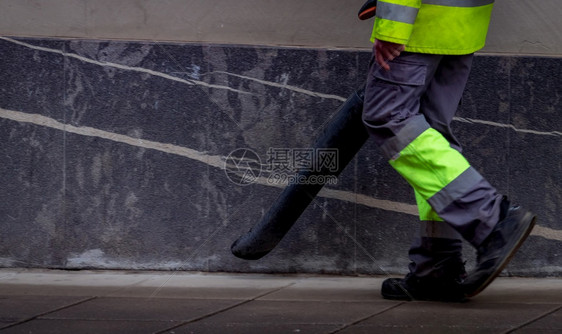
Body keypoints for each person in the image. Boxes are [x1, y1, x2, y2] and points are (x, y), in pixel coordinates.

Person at [361, 0, 537, 301]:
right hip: (461, 24)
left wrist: (393, 23)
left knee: (388, 116)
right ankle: (437, 266)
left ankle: (491, 218)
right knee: (429, 135)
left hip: (420, 24)